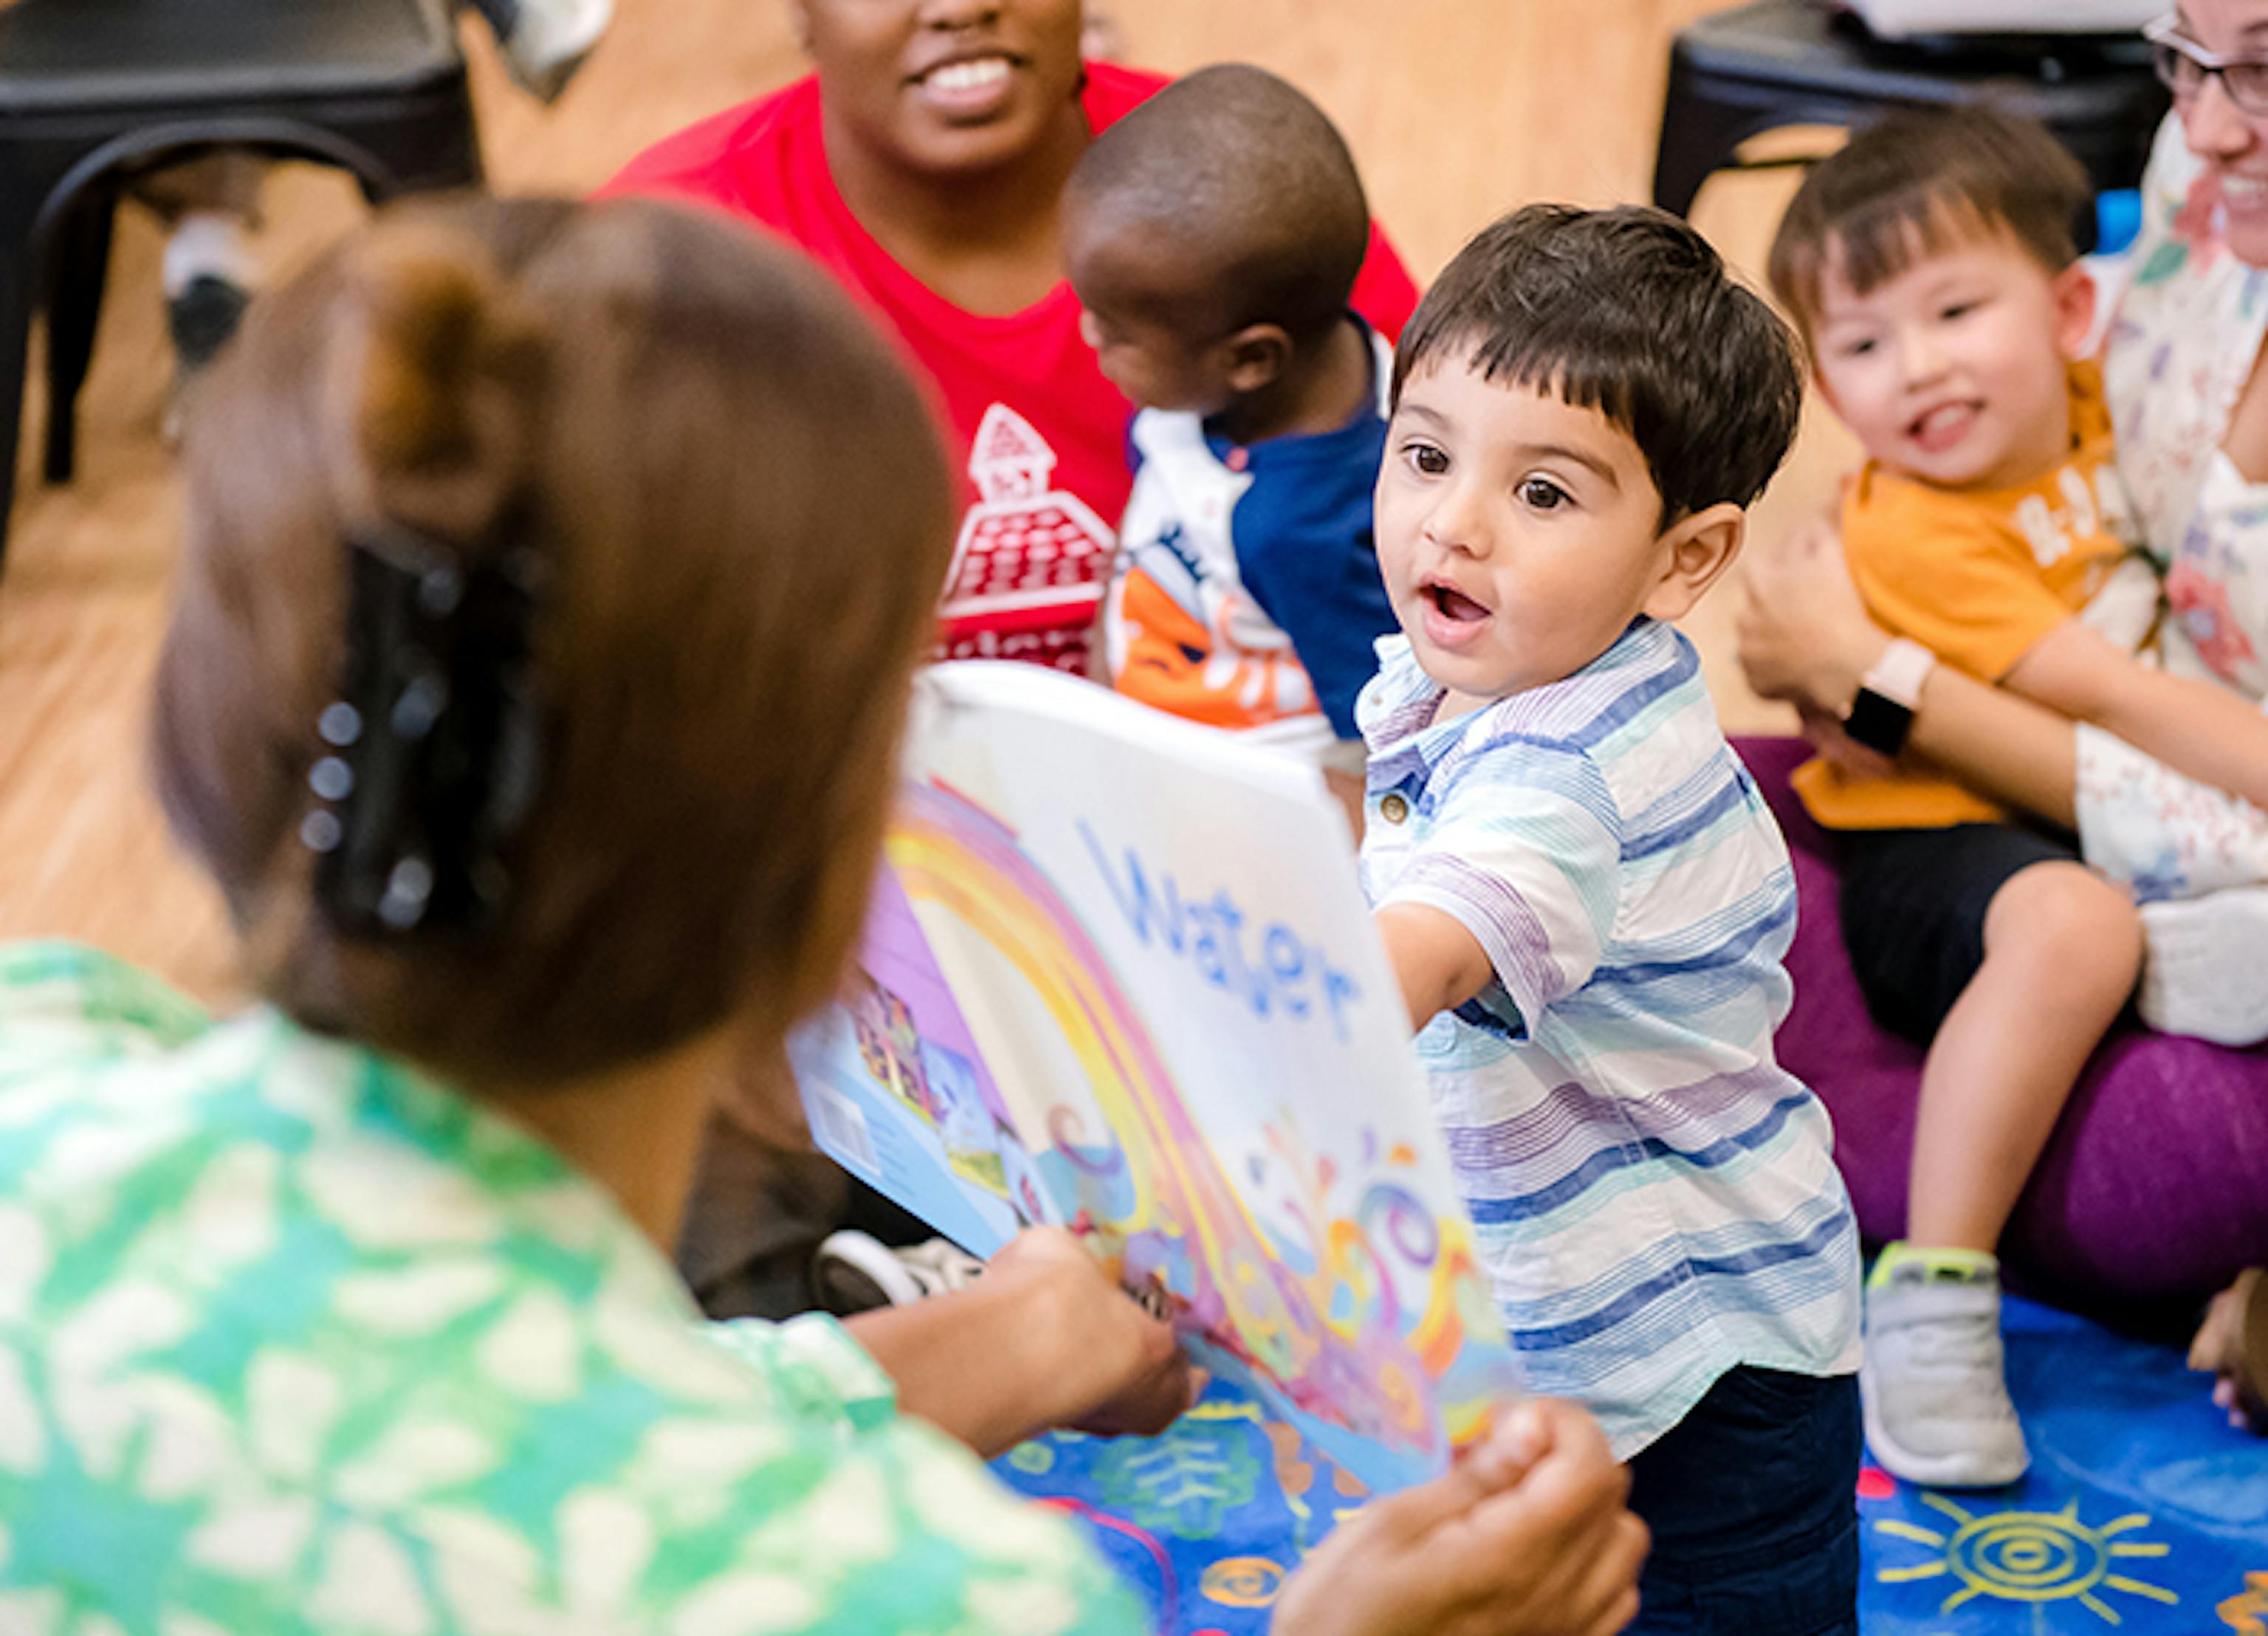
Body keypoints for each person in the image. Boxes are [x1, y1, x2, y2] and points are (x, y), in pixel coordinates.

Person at [0, 191, 1652, 1634]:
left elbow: (437, 1416)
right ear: (845, 889)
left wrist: (995, 1347)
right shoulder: (920, 1593)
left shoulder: (47, 1038)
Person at [1735, 0, 2268, 1451]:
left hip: (2081, 807)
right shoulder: (1914, 531)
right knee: (2082, 929)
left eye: (1956, 314)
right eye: (1860, 342)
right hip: (1941, 832)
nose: (1915, 371)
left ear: (2070, 313)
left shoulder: (2107, 403)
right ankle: (1934, 1289)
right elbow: (2103, 699)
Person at [1360, 205, 1863, 1635]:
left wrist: (1240, 1011)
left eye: (1545, 494)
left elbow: (1449, 927)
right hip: (1565, 1322)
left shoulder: (1569, 767)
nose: (1453, 520)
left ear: (1683, 560)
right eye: (1427, 453)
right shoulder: (1472, 675)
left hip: (1702, 1375)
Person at [599, 0, 1418, 678]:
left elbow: (1456, 539)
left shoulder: (1245, 195)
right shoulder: (666, 259)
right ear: (799, 13)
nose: (962, 8)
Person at [1062, 63, 1400, 778]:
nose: (1089, 334)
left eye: (1116, 330)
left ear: (1251, 359)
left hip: (1231, 795)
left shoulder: (1299, 531)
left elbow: (1377, 740)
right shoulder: (1211, 387)